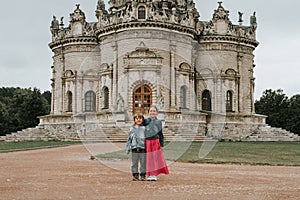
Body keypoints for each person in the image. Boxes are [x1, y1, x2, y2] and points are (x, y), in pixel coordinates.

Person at [144, 105, 169, 181]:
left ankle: (154, 174)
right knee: (148, 158)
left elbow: (160, 134)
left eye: (154, 111)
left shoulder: (158, 122)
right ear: (148, 112)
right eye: (151, 111)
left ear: (157, 113)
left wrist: (161, 144)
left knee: (155, 157)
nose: (152, 112)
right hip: (147, 141)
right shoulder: (145, 121)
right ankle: (149, 174)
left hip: (155, 142)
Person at [125, 113, 146, 181]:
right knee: (134, 163)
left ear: (142, 120)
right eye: (137, 118)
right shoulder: (131, 129)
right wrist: (127, 148)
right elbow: (129, 139)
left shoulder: (144, 128)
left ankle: (143, 175)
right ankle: (135, 175)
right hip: (134, 148)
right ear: (134, 120)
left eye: (140, 118)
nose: (138, 120)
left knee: (143, 162)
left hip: (142, 148)